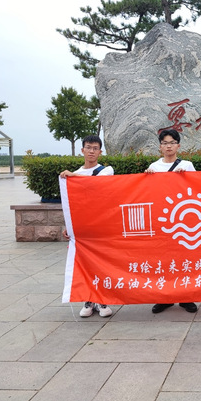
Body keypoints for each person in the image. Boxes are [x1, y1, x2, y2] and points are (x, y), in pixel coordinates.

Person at [59, 134, 114, 318]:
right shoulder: (74, 175)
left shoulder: (106, 171)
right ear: (82, 150)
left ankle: (102, 300)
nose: (91, 151)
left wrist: (73, 176)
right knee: (85, 265)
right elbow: (72, 204)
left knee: (102, 264)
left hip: (102, 226)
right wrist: (69, 226)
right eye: (88, 147)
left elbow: (95, 184)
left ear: (100, 152)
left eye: (95, 148)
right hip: (84, 228)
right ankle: (89, 299)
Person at [144, 129, 198, 314]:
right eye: (165, 143)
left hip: (182, 220)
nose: (169, 146)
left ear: (178, 146)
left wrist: (187, 177)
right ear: (160, 146)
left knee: (183, 259)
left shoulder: (187, 165)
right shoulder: (154, 167)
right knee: (163, 259)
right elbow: (147, 193)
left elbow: (198, 188)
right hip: (161, 219)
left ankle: (186, 296)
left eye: (172, 143)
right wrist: (146, 178)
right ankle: (164, 297)